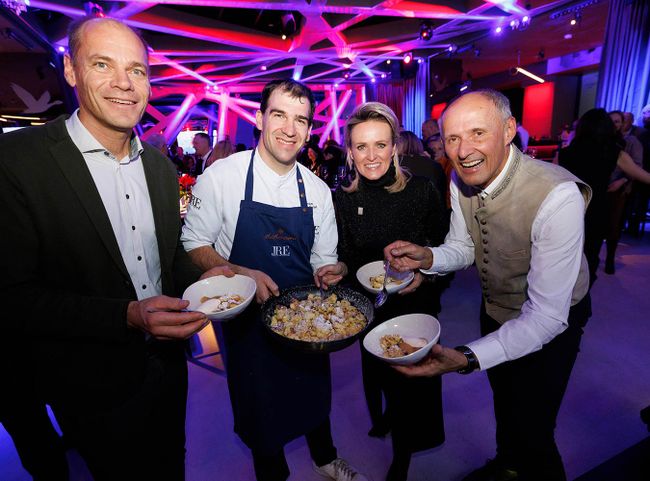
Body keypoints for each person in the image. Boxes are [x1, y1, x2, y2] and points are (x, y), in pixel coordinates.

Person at [0, 17, 231, 481]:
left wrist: (208, 273)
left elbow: (165, 261)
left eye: (138, 70)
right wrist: (126, 315)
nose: (125, 84)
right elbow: (13, 297)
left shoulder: (161, 171)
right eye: (103, 64)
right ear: (70, 69)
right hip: (88, 378)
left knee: (171, 466)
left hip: (168, 369)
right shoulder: (19, 161)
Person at [384, 90, 592, 481]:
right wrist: (428, 258)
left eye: (478, 133)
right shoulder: (459, 178)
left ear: (509, 130)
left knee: (534, 428)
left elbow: (546, 316)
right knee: (505, 402)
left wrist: (465, 358)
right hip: (496, 308)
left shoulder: (557, 195)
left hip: (554, 323)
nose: (463, 151)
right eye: (452, 138)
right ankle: (507, 465)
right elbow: (463, 248)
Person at [181, 79, 367, 481]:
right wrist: (240, 272)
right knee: (259, 408)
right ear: (261, 118)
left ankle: (325, 458)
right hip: (246, 320)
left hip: (302, 318)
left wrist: (331, 271)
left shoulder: (317, 190)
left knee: (314, 393)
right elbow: (193, 243)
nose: (289, 128)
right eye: (279, 114)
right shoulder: (222, 177)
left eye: (301, 119)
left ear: (309, 128)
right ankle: (273, 474)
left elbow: (322, 259)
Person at [317, 102, 446, 481]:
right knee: (374, 373)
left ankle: (402, 457)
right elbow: (349, 253)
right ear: (350, 151)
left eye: (380, 144)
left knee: (409, 384)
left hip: (413, 301)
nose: (371, 156)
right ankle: (382, 419)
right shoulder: (344, 197)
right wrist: (341, 266)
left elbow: (448, 252)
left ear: (394, 147)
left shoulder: (422, 190)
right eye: (361, 147)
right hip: (369, 304)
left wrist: (427, 275)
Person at [559, 109, 650, 281]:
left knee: (565, 257)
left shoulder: (565, 153)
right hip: (596, 209)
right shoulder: (615, 153)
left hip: (568, 209)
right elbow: (642, 175)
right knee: (590, 258)